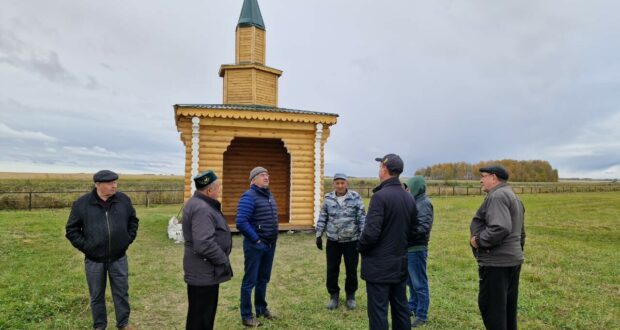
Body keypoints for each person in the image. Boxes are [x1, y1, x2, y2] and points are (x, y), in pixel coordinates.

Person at [65, 170, 139, 330]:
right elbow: (71, 230)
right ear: (98, 185)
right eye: (110, 183)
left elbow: (133, 220)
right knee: (97, 295)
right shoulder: (82, 203)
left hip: (118, 258)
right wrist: (87, 247)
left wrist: (127, 240)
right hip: (94, 260)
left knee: (121, 293)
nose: (114, 186)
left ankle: (124, 324)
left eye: (115, 182)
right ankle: (99, 326)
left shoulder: (123, 200)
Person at [358, 154, 418, 330]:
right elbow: (415, 231)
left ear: (384, 169)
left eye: (380, 167)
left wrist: (359, 246)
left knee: (378, 313)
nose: (379, 170)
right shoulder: (409, 197)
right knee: (401, 309)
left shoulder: (380, 197)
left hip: (379, 267)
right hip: (399, 264)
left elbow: (370, 234)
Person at [470, 165, 525, 330]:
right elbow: (521, 234)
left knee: (493, 311)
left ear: (494, 178)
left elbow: (500, 227)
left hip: (497, 264)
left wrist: (477, 241)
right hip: (512, 261)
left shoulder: (498, 196)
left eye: (483, 176)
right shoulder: (512, 195)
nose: (481, 180)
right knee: (507, 311)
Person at [182, 170, 233, 330]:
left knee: (200, 314)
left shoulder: (197, 203)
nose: (220, 190)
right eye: (218, 187)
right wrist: (223, 259)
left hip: (203, 271)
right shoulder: (202, 208)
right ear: (209, 190)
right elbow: (204, 243)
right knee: (201, 317)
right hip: (203, 271)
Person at [315, 173, 366, 310]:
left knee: (351, 269)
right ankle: (334, 296)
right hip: (333, 241)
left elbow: (362, 218)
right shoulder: (328, 198)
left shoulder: (355, 198)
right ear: (334, 184)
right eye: (337, 183)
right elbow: (322, 217)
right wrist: (319, 234)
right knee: (332, 269)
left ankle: (350, 296)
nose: (340, 186)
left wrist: (362, 237)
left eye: (342, 183)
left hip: (351, 241)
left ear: (346, 184)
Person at [236, 167, 279, 327]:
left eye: (267, 174)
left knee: (263, 279)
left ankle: (261, 308)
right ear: (253, 180)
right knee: (250, 281)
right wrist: (256, 240)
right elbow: (241, 222)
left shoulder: (268, 195)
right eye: (262, 175)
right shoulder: (249, 196)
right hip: (256, 246)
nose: (266, 177)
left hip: (269, 244)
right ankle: (247, 315)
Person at [403, 176, 434, 327]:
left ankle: (422, 315)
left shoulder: (425, 204)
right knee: (410, 282)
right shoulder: (414, 202)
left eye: (408, 188)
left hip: (416, 248)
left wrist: (403, 230)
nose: (406, 191)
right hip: (408, 248)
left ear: (416, 187)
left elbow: (422, 228)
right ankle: (412, 307)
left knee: (419, 283)